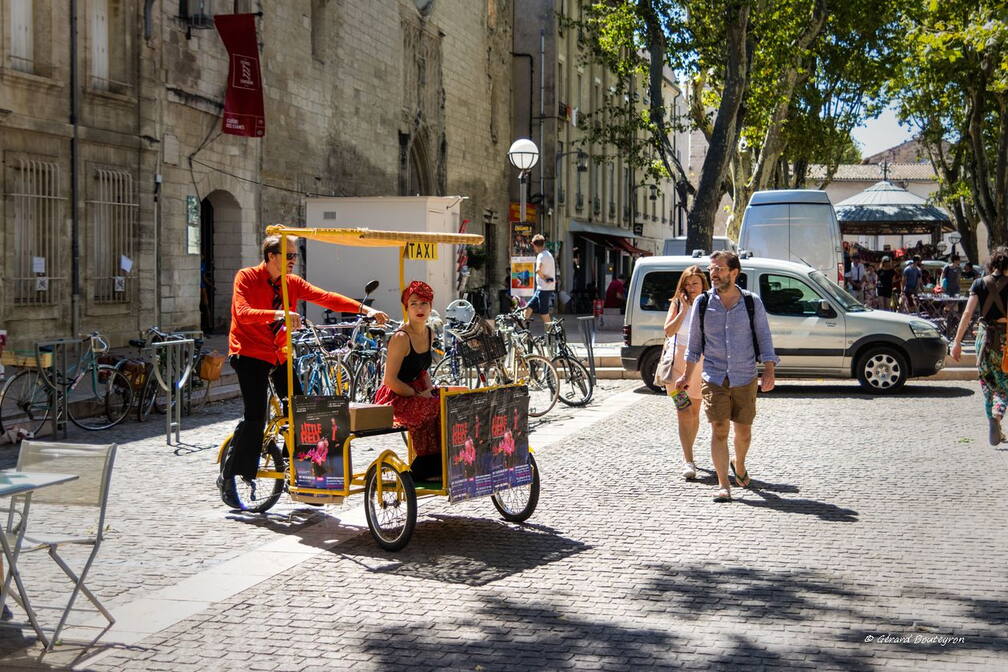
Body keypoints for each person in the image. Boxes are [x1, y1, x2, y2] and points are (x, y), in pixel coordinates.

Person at [220, 235, 390, 509]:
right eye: (288, 256)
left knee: (299, 412)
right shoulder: (247, 277)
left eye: (295, 256)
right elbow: (243, 312)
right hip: (249, 352)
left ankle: (300, 477)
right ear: (270, 256)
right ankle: (231, 475)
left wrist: (365, 309)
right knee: (255, 416)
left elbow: (326, 298)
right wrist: (279, 315)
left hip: (278, 353)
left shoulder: (292, 284)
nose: (292, 261)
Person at [675, 251, 779, 502]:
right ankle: (724, 485)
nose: (714, 273)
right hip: (714, 376)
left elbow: (764, 337)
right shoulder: (702, 303)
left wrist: (769, 369)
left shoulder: (752, 302)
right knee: (719, 429)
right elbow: (695, 345)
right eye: (712, 269)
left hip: (744, 376)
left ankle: (739, 464)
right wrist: (686, 376)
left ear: (734, 273)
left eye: (720, 269)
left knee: (742, 433)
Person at [373, 281, 442, 480]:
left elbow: (423, 370)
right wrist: (417, 395)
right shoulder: (401, 338)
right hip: (396, 396)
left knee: (446, 406)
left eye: (424, 303)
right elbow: (389, 380)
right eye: (414, 304)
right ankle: (423, 466)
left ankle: (439, 462)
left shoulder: (429, 332)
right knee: (430, 409)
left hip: (417, 389)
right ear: (406, 307)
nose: (419, 308)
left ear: (430, 307)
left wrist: (429, 390)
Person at [951, 247, 1008, 445]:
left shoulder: (978, 283)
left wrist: (957, 343)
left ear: (991, 265)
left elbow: (967, 314)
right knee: (1005, 385)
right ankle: (998, 417)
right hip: (1005, 340)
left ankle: (992, 423)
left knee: (987, 382)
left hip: (983, 339)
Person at [663, 266, 709, 480]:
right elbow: (668, 331)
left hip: (700, 363)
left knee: (695, 411)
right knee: (683, 411)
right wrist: (682, 311)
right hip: (676, 365)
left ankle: (689, 454)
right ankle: (687, 459)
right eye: (687, 284)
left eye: (695, 284)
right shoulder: (677, 303)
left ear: (703, 284)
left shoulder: (710, 302)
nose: (691, 288)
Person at [524, 234, 556, 325]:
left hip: (544, 289)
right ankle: (522, 331)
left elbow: (538, 270)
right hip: (542, 288)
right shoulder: (548, 254)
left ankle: (551, 333)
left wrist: (544, 278)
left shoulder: (541, 256)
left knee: (544, 313)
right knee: (529, 307)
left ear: (534, 245)